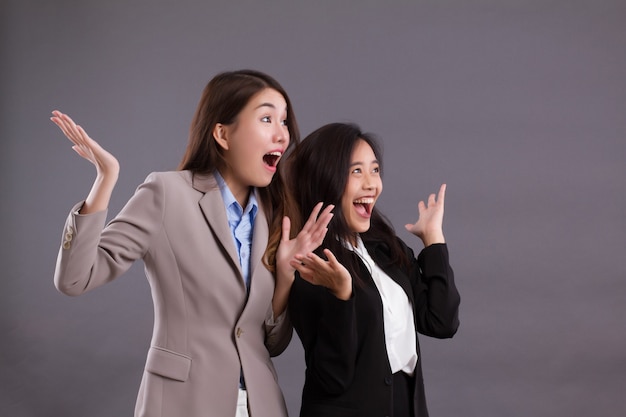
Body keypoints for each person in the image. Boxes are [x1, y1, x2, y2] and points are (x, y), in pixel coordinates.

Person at [50, 69, 333, 417]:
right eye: (266, 118)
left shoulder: (276, 215)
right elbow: (75, 278)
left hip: (260, 406)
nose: (281, 134)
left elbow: (272, 344)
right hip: (182, 403)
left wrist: (287, 276)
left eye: (285, 121)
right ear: (222, 134)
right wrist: (105, 180)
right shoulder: (167, 193)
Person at [284, 123, 461, 417]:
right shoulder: (310, 260)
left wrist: (433, 240)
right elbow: (331, 377)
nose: (371, 184)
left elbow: (441, 322)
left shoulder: (385, 247)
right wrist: (342, 296)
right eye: (356, 171)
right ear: (325, 179)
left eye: (375, 170)